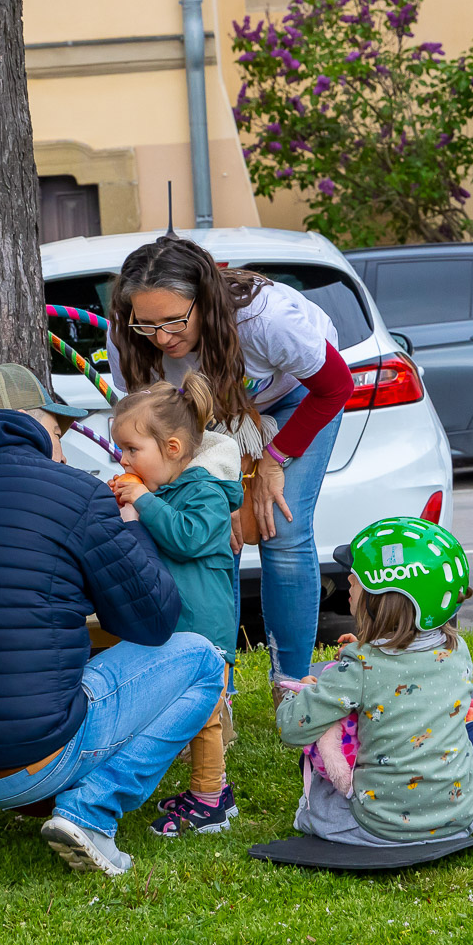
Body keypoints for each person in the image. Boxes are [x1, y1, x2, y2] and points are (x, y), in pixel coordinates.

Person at [0, 363, 226, 877]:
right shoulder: (76, 492)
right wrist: (131, 528)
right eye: (57, 432)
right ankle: (90, 811)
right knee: (203, 660)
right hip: (33, 765)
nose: (63, 450)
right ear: (25, 422)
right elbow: (154, 621)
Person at [107, 236, 353, 684]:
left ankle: (291, 686)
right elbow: (153, 423)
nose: (162, 338)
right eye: (148, 325)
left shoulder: (266, 320)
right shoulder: (128, 332)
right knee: (221, 534)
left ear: (204, 301)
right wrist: (222, 487)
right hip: (201, 416)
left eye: (175, 321)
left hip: (296, 395)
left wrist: (273, 460)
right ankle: (218, 688)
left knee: (283, 529)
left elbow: (336, 386)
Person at [275, 518, 473, 845]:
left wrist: (302, 692)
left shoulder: (361, 663)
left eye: (355, 578)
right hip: (459, 817)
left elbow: (292, 729)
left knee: (321, 765)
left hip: (380, 825)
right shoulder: (457, 649)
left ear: (382, 598)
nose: (348, 580)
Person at [107, 372, 244, 836]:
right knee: (189, 711)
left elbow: (187, 538)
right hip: (177, 624)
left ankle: (210, 804)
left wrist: (144, 501)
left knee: (205, 718)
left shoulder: (205, 491)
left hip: (205, 628)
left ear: (171, 448)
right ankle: (214, 790)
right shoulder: (166, 490)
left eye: (132, 449)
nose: (123, 459)